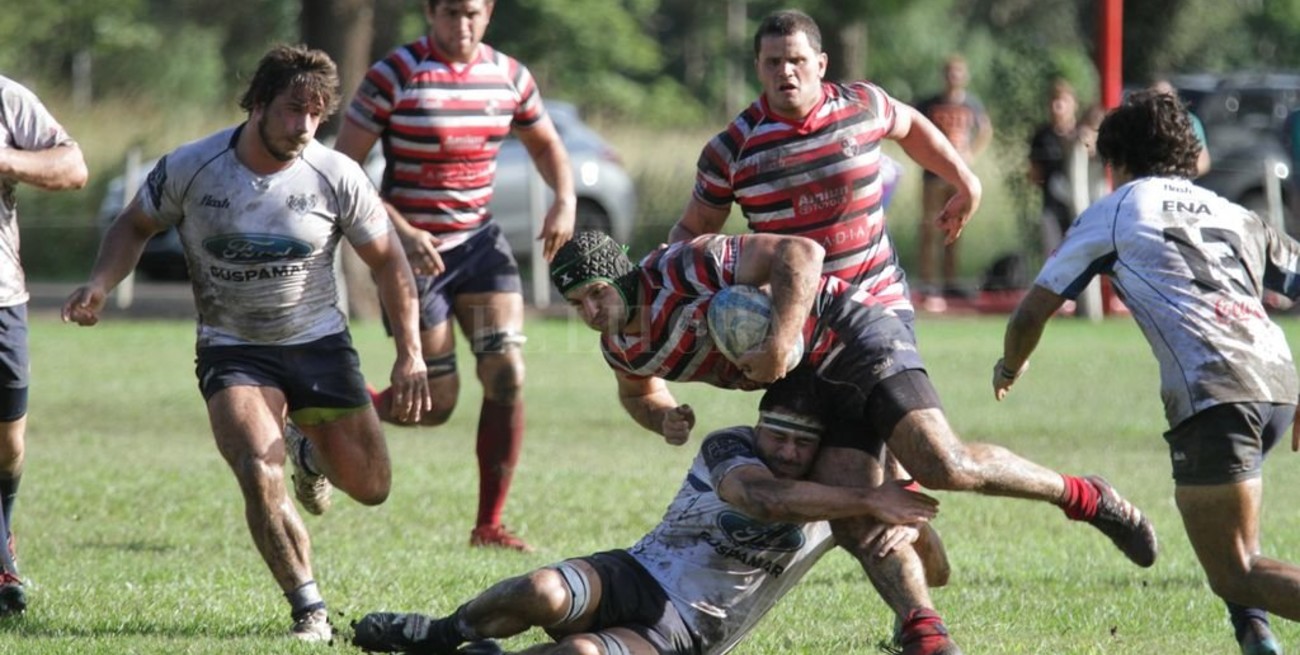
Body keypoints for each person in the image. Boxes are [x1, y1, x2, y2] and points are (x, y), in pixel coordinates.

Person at [550, 229, 1159, 654]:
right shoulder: (622, 345)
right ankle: (924, 630)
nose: (591, 310)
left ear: (621, 273)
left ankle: (1083, 495)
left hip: (850, 333)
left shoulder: (684, 266)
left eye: (597, 292)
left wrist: (782, 341)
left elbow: (801, 252)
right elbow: (637, 393)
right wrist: (662, 418)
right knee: (849, 509)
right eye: (577, 303)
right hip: (798, 377)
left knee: (946, 464)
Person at [61, 45, 432, 641]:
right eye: (292, 111)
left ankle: (309, 453)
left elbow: (389, 262)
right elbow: (134, 223)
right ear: (257, 103)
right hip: (233, 346)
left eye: (316, 115)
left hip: (318, 343)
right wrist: (102, 285)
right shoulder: (193, 165)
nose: (304, 127)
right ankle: (309, 609)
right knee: (259, 466)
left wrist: (410, 351)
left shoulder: (335, 173)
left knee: (371, 487)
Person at [666, 10, 978, 651]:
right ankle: (917, 554)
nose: (785, 72)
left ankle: (923, 625)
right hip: (797, 337)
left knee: (854, 491)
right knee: (836, 487)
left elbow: (913, 126)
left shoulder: (860, 106)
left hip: (875, 315)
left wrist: (963, 180)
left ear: (821, 65)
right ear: (758, 69)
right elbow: (689, 234)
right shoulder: (732, 148)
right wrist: (687, 295)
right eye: (773, 62)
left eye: (797, 61)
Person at [996, 89, 1300, 655]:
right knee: (1232, 537)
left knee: (1234, 569)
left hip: (1215, 392)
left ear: (1116, 157)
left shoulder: (1118, 209)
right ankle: (1256, 637)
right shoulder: (1236, 214)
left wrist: (1010, 363)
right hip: (1279, 386)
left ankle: (1255, 627)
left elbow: (1032, 310)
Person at [350, 376, 941, 655]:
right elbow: (760, 499)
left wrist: (908, 524)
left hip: (687, 630)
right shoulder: (730, 446)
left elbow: (933, 573)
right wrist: (871, 500)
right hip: (636, 570)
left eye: (800, 444)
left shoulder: (847, 497)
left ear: (820, 449)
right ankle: (443, 633)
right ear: (758, 426)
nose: (785, 451)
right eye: (776, 435)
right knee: (539, 589)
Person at [334, 0, 576, 553]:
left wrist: (563, 199)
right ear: (430, 12)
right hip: (412, 256)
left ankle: (488, 525)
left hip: (478, 248)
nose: (460, 25)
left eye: (471, 13)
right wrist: (400, 231)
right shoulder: (394, 74)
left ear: (488, 12)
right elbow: (345, 169)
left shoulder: (510, 76)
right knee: (435, 403)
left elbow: (547, 146)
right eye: (449, 13)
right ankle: (324, 416)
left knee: (508, 372)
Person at [0, 75, 88, 615]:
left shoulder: (7, 99)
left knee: (8, 445)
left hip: (1, 298)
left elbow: (72, 167)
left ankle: (3, 531)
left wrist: (5, 162)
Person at [914, 54, 994, 301]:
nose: (954, 77)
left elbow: (985, 129)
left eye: (958, 72)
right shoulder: (930, 103)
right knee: (929, 228)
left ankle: (950, 282)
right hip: (933, 174)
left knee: (955, 229)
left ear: (965, 76)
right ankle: (929, 283)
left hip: (959, 175)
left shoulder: (972, 104)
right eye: (950, 72)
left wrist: (971, 152)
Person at [1028, 78, 1081, 255]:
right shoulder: (1042, 136)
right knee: (1054, 255)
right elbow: (1034, 174)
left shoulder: (1083, 135)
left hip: (1081, 209)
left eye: (1062, 101)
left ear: (1073, 104)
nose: (1057, 106)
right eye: (1053, 100)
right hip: (1051, 207)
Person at [1151, 79, 1212, 177]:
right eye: (1158, 96)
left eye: (1167, 95)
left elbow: (1204, 163)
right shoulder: (1142, 122)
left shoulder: (1190, 121)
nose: (1164, 101)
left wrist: (1179, 174)